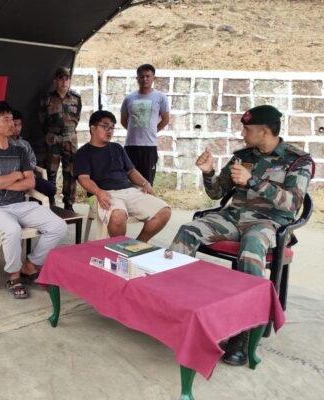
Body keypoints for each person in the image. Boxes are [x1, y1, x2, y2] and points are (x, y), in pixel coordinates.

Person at [170, 104, 314, 366]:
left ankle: (243, 331)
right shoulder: (243, 156)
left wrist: (253, 181)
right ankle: (175, 303)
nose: (242, 134)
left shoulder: (297, 160)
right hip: (233, 218)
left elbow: (293, 203)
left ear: (265, 131)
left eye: (247, 129)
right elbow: (217, 193)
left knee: (252, 244)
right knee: (189, 230)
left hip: (268, 223)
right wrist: (209, 172)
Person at [0, 101, 67, 299]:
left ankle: (30, 265)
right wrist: (16, 175)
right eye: (6, 120)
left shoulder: (20, 151)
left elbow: (30, 182)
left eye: (12, 119)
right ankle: (14, 275)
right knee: (13, 230)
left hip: (22, 205)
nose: (11, 124)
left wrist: (2, 181)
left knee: (58, 226)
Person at [73, 110, 171, 240]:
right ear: (93, 128)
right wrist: (99, 192)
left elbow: (131, 171)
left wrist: (145, 183)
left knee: (164, 211)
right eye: (105, 126)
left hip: (129, 191)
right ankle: (118, 246)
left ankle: (137, 245)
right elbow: (83, 178)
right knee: (118, 216)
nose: (110, 131)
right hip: (103, 194)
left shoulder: (117, 148)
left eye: (112, 127)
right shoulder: (83, 153)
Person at [39, 66, 82, 210]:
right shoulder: (47, 99)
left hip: (70, 138)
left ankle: (69, 203)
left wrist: (68, 131)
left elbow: (77, 118)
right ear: (55, 81)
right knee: (50, 171)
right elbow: (41, 120)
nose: (64, 82)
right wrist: (52, 133)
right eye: (61, 79)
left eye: (66, 79)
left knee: (71, 171)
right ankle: (50, 200)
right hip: (53, 138)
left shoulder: (76, 98)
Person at [120, 63, 170, 185]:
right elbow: (123, 120)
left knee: (147, 181)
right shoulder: (129, 98)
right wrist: (135, 131)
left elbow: (165, 119)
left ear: (154, 78)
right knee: (128, 180)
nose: (145, 79)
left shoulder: (160, 98)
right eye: (141, 76)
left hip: (149, 146)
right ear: (137, 78)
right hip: (130, 146)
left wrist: (152, 131)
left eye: (148, 76)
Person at [10, 109, 57, 201]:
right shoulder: (5, 144)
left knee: (51, 189)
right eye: (15, 125)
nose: (18, 128)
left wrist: (26, 170)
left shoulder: (25, 144)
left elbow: (33, 160)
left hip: (29, 176)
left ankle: (44, 205)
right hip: (13, 179)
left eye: (20, 125)